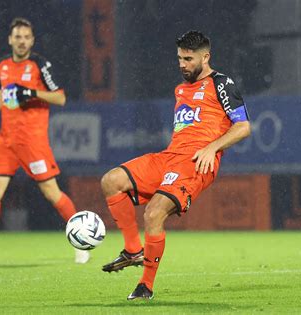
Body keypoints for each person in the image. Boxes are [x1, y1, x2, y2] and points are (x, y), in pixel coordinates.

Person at [100, 31, 251, 300]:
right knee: (111, 181)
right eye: (180, 58)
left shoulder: (221, 83)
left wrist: (212, 147)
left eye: (189, 59)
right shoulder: (180, 89)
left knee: (154, 213)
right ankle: (133, 249)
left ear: (206, 57)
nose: (182, 64)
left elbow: (243, 126)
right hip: (170, 157)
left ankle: (145, 286)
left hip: (196, 162)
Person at [0, 17, 89, 264]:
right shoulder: (3, 65)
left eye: (26, 37)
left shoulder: (40, 65)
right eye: (17, 36)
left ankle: (82, 243)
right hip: (6, 142)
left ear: (32, 40)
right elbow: (3, 90)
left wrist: (31, 92)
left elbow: (60, 98)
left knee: (52, 193)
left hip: (33, 142)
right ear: (10, 40)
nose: (22, 41)